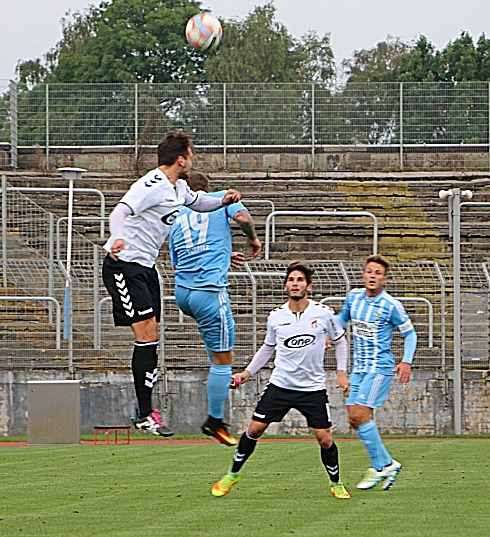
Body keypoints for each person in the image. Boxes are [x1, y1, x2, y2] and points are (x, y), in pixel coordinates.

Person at [102, 132, 241, 437]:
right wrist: (118, 237)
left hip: (146, 268)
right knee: (147, 335)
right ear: (182, 159)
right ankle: (144, 413)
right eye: (191, 155)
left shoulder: (178, 188)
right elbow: (120, 211)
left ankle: (145, 411)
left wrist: (222, 199)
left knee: (152, 338)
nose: (192, 160)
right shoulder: (150, 185)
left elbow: (200, 202)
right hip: (123, 265)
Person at [211, 262, 351, 499]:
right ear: (286, 285)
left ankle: (336, 483)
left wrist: (341, 371)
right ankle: (232, 475)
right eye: (291, 280)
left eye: (300, 280)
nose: (295, 284)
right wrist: (246, 374)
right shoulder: (276, 317)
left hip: (312, 388)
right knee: (254, 429)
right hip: (281, 385)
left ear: (308, 285)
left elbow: (340, 341)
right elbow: (267, 348)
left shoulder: (324, 314)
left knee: (325, 438)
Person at [169, 172, 262, 446]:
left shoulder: (178, 214)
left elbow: (182, 259)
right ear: (206, 190)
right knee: (223, 362)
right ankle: (215, 420)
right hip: (208, 293)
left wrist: (222, 255)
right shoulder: (219, 200)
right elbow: (244, 219)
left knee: (216, 353)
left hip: (182, 294)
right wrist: (252, 238)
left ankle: (215, 412)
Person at [337, 255, 417, 490]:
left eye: (378, 273)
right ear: (363, 275)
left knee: (360, 415)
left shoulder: (391, 305)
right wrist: (327, 334)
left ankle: (378, 466)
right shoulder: (354, 298)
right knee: (354, 417)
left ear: (384, 279)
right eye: (369, 271)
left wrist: (406, 362)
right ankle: (388, 464)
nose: (372, 276)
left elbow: (409, 334)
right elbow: (341, 320)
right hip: (359, 368)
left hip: (379, 368)